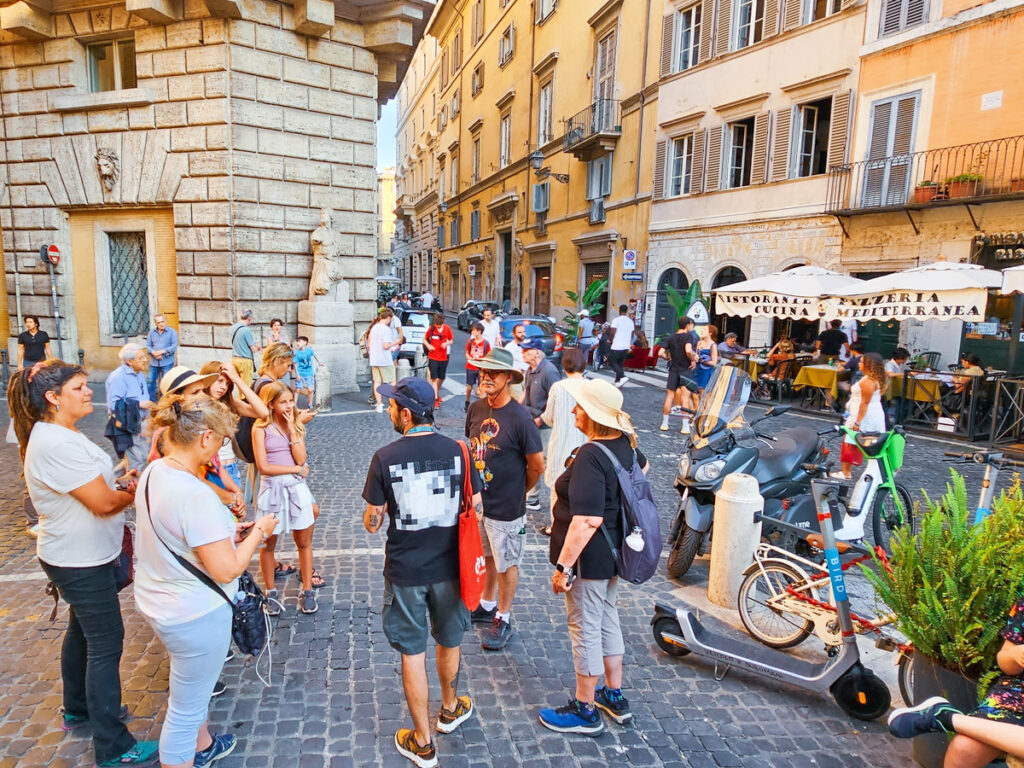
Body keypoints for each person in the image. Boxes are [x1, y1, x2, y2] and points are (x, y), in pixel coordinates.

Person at [8, 360, 159, 767]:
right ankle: (113, 745)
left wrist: (119, 483)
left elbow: (97, 489)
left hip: (80, 554)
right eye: (79, 387)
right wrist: (135, 490)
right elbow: (102, 503)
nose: (89, 390)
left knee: (82, 632)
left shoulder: (60, 434)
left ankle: (78, 707)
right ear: (53, 398)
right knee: (107, 642)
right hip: (79, 559)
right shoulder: (55, 442)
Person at [135, 394, 278, 768]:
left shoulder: (156, 472)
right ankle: (184, 756)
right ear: (204, 438)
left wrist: (232, 532)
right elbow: (227, 570)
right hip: (193, 612)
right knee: (184, 710)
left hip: (161, 600)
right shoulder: (194, 493)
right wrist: (258, 532)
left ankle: (204, 745)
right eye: (221, 440)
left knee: (191, 691)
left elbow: (186, 539)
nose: (220, 448)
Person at [362, 378, 480, 768]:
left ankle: (423, 742)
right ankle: (449, 709)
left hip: (406, 571)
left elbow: (373, 523)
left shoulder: (384, 457)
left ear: (407, 414)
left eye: (393, 406)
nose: (390, 412)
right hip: (452, 568)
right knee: (450, 639)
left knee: (413, 653)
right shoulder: (459, 452)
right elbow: (475, 505)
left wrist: (377, 510)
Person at [539, 377, 646, 736]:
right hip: (613, 552)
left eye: (579, 407)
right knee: (607, 621)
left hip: (588, 557)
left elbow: (586, 520)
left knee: (584, 628)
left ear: (595, 415)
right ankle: (613, 695)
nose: (573, 411)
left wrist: (563, 567)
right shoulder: (625, 445)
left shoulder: (590, 456)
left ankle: (585, 709)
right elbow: (641, 470)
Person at [465, 348, 544, 650]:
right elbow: (472, 450)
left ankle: (504, 616)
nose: (485, 377)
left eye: (493, 373)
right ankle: (486, 605)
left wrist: (519, 490)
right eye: (483, 372)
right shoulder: (475, 409)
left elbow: (537, 464)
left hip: (508, 506)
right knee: (487, 555)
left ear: (508, 378)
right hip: (480, 503)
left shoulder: (521, 418)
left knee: (506, 563)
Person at [887, 596, 1024, 767]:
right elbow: (1005, 661)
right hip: (1017, 698)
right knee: (964, 749)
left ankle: (946, 718)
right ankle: (943, 716)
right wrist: (1016, 654)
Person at [253, 382, 319, 615]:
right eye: (284, 402)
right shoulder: (260, 428)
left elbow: (301, 460)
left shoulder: (296, 425)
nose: (290, 406)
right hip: (272, 490)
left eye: (291, 401)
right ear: (270, 404)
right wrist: (293, 470)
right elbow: (263, 467)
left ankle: (307, 589)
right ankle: (270, 592)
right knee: (268, 543)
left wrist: (292, 429)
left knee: (304, 542)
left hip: (295, 488)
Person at [538, 347, 587, 536]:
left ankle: (556, 525)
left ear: (564, 366)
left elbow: (549, 417)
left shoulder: (558, 387)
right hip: (584, 443)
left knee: (557, 488)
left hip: (561, 443)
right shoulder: (590, 386)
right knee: (581, 486)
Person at [201, 361, 269, 492]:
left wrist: (237, 380)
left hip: (231, 469)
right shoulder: (198, 405)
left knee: (234, 511)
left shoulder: (230, 403)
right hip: (209, 468)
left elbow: (263, 413)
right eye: (219, 381)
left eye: (227, 383)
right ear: (208, 379)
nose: (223, 387)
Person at [522, 337, 561, 513]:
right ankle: (532, 497)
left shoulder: (549, 372)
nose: (522, 353)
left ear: (536, 352)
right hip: (531, 421)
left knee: (545, 461)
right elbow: (525, 391)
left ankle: (558, 498)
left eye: (526, 350)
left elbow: (555, 400)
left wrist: (541, 419)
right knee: (530, 459)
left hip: (544, 424)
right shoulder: (530, 370)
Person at [833, 352, 887, 480]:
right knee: (872, 443)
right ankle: (874, 471)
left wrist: (857, 422)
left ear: (869, 365)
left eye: (862, 362)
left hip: (864, 415)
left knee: (850, 441)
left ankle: (846, 472)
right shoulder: (872, 379)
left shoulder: (868, 382)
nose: (859, 363)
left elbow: (864, 403)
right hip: (870, 413)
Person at [104, 343, 155, 471]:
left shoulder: (139, 373)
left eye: (145, 356)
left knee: (140, 458)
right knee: (136, 461)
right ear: (129, 361)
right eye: (141, 358)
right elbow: (114, 405)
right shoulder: (118, 377)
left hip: (142, 423)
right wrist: (138, 404)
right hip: (129, 425)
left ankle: (114, 481)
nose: (145, 360)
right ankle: (129, 487)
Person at [659, 317, 698, 434]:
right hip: (685, 369)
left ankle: (664, 423)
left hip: (673, 369)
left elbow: (660, 352)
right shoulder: (688, 336)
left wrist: (668, 358)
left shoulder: (670, 337)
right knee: (685, 398)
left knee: (670, 396)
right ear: (688, 325)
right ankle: (685, 426)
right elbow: (688, 350)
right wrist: (692, 360)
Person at [369, 309, 400, 413]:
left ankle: (379, 405)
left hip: (374, 359)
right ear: (388, 318)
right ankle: (394, 404)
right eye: (390, 319)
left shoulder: (374, 328)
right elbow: (386, 346)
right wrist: (395, 343)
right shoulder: (386, 330)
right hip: (385, 360)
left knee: (377, 382)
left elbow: (370, 344)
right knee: (392, 382)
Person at [424, 312, 454, 409]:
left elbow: (451, 340)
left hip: (443, 357)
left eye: (440, 325)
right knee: (434, 378)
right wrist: (428, 346)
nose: (438, 326)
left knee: (442, 377)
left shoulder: (447, 329)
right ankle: (435, 399)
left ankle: (436, 392)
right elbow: (424, 339)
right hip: (433, 357)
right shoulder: (431, 329)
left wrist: (447, 343)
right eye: (437, 325)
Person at [145, 314, 179, 402]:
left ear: (165, 321)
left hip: (167, 362)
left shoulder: (172, 332)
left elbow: (174, 346)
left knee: (166, 382)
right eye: (159, 322)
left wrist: (162, 352)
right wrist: (154, 353)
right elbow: (148, 346)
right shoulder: (151, 333)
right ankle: (151, 402)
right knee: (150, 381)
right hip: (154, 362)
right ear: (156, 323)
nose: (161, 324)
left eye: (162, 321)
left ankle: (165, 402)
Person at [228, 309, 261, 386]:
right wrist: (258, 348)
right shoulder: (246, 330)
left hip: (235, 359)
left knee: (240, 386)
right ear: (249, 318)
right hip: (245, 361)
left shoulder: (233, 327)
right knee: (246, 386)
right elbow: (253, 349)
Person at [464, 322, 490, 411]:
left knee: (482, 386)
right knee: (469, 386)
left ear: (479, 331)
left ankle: (482, 406)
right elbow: (467, 352)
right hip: (470, 366)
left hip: (481, 368)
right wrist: (470, 358)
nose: (472, 332)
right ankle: (467, 402)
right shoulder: (470, 341)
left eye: (473, 331)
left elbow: (488, 356)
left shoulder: (486, 343)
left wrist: (481, 361)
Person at [608, 305, 634, 388]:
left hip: (617, 344)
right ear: (626, 311)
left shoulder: (616, 320)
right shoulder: (630, 321)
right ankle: (617, 381)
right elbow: (632, 333)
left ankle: (622, 376)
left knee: (611, 361)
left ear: (619, 310)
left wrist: (610, 340)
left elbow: (613, 332)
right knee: (620, 363)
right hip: (626, 345)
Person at [691, 325, 719, 394]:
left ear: (710, 333)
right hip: (697, 369)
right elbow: (697, 355)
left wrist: (701, 360)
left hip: (705, 371)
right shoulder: (699, 342)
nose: (702, 331)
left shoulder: (713, 345)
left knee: (703, 393)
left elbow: (714, 362)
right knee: (694, 393)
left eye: (704, 329)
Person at [504, 323, 529, 401]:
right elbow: (505, 364)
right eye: (519, 332)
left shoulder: (528, 345)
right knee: (518, 402)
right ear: (513, 334)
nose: (522, 334)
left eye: (523, 332)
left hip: (528, 377)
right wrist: (514, 369)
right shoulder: (509, 348)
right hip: (516, 378)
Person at [292, 336, 319, 405]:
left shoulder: (309, 350)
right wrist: (297, 375)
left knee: (310, 390)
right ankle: (294, 405)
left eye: (299, 341)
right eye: (297, 341)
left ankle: (310, 404)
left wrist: (319, 363)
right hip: (300, 373)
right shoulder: (297, 353)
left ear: (305, 343)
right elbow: (294, 364)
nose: (298, 343)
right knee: (298, 389)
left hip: (309, 373)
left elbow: (314, 355)